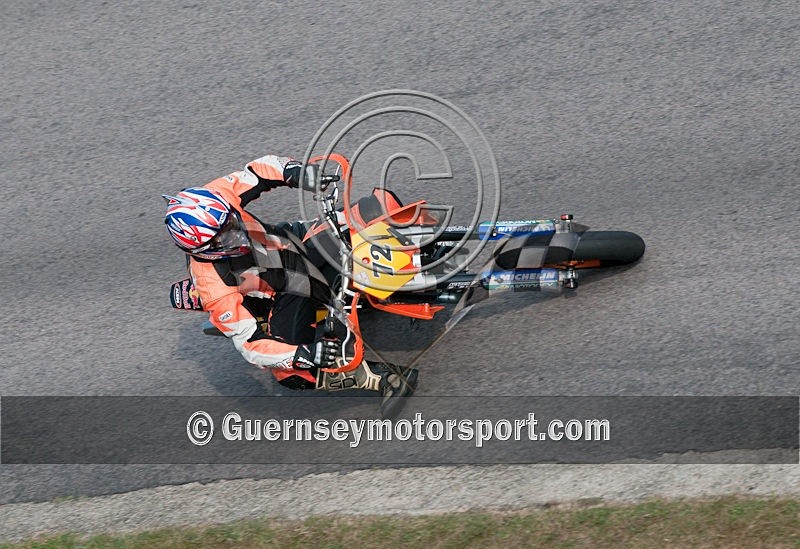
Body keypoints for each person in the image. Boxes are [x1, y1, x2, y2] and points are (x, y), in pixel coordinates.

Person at [163, 154, 418, 416]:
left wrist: (297, 172)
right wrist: (303, 354)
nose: (235, 234)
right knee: (292, 375)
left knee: (377, 208)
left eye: (231, 223)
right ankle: (385, 378)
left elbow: (258, 171)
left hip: (291, 241)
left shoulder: (215, 197)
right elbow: (251, 345)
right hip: (287, 292)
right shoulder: (213, 288)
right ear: (203, 250)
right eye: (223, 238)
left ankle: (422, 249)